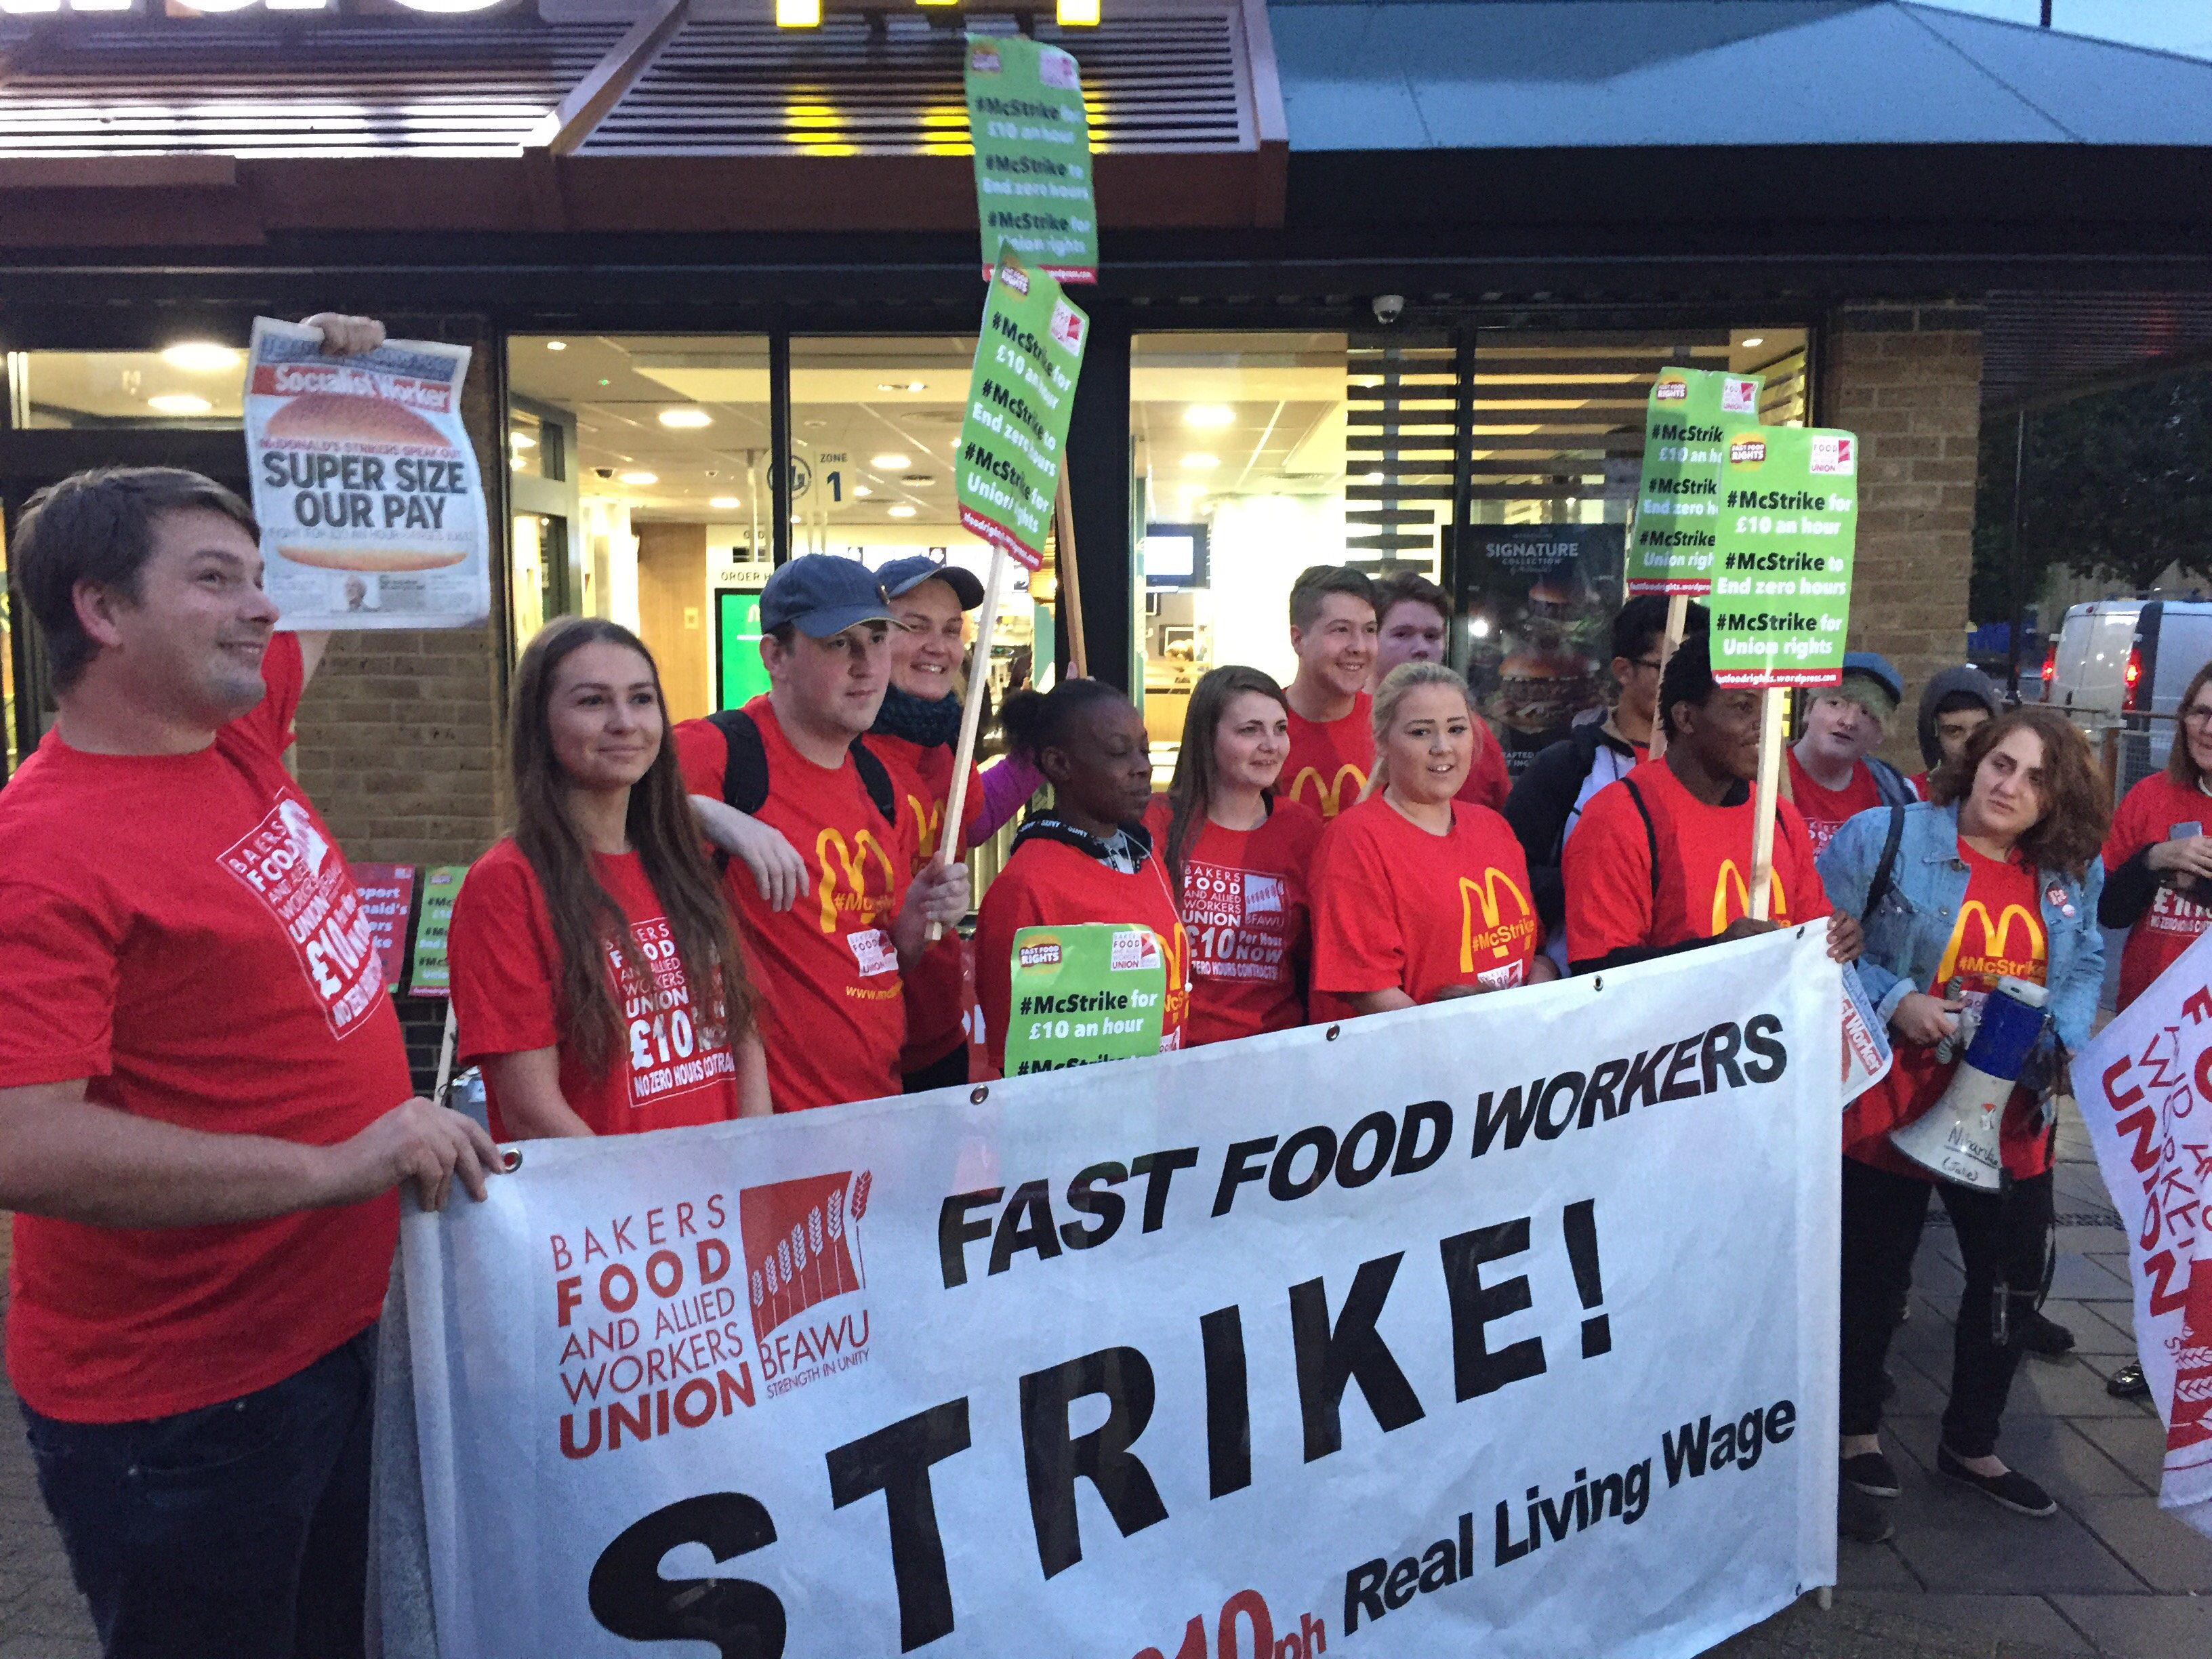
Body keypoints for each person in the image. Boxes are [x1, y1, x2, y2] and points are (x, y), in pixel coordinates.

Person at [0, 448, 501, 1654]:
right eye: (218, 579)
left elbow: (327, 590)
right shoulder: (44, 848)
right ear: (102, 610)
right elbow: (23, 1140)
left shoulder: (227, 735)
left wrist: (337, 402)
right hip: (185, 1407)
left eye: (258, 576)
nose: (266, 606)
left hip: (327, 1331)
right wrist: (331, 1166)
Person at [1819, 708, 2108, 1521]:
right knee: (1872, 1278)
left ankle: (1972, 1442)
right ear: (1975, 761)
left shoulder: (2064, 875)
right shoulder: (1885, 837)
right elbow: (1817, 946)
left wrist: (2066, 1038)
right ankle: (1856, 1435)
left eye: (2036, 778)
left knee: (2013, 1280)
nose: (2010, 785)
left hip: (2007, 1117)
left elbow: (2084, 959)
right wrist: (1896, 996)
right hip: (1889, 1104)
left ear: (2058, 800)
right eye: (2001, 764)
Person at [448, 618, 771, 1139]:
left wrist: (754, 1166)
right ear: (540, 724)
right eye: (593, 702)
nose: (624, 722)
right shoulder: (505, 885)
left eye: (641, 699)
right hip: (609, 1212)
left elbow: (742, 1032)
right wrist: (643, 1205)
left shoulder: (679, 858)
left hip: (722, 1205)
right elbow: (531, 1109)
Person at [674, 555, 969, 1111]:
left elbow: (879, 959)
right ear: (775, 656)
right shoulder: (724, 752)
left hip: (877, 1112)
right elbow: (586, 803)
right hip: (772, 1132)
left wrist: (916, 919)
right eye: (838, 643)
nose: (866, 665)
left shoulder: (882, 783)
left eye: (878, 638)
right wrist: (708, 814)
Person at [1563, 632, 1862, 975]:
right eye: (1744, 707)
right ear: (1686, 718)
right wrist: (1716, 953)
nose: (1764, 726)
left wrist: (1838, 940)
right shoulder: (1619, 816)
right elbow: (1596, 974)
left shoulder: (1779, 816)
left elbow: (1812, 938)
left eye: (1771, 709)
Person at [868, 554, 1044, 1092]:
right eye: (914, 627)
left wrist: (1042, 747)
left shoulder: (947, 736)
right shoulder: (834, 737)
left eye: (950, 630)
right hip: (860, 1051)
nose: (938, 646)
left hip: (938, 1034)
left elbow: (967, 824)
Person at [1311, 663, 1559, 1010]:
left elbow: (1536, 953)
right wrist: (1464, 1041)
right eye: (1420, 733)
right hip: (1412, 1057)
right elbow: (1369, 989)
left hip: (1510, 1049)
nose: (1442, 747)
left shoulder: (1493, 827)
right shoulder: (1356, 839)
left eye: (1457, 729)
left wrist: (1537, 993)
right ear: (1383, 741)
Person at [975, 679, 1191, 1076]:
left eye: (1143, 750)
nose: (1143, 767)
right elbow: (1014, 1047)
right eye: (1118, 753)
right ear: (1060, 764)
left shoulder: (1146, 858)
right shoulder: (1027, 886)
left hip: (1159, 1103)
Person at [2097, 659, 2212, 1399]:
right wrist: (2156, 856)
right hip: (2153, 1043)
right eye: (2200, 713)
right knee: (2157, 1213)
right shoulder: (2150, 796)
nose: (2209, 729)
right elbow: (2107, 908)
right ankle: (2161, 1349)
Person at [1144, 665, 1326, 1045]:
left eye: (1280, 729)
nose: (1271, 745)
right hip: (1169, 1054)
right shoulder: (1154, 821)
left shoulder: (1303, 829)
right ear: (1206, 738)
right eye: (1250, 730)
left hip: (1274, 1052)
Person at [1504, 594, 1689, 964]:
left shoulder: (1714, 772)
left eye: (1695, 669)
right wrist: (1600, 878)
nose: (1686, 683)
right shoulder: (1566, 767)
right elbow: (1508, 876)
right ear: (1623, 670)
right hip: (1581, 982)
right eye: (1669, 667)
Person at [1368, 568, 1511, 809]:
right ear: (1370, 637)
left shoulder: (1473, 733)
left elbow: (1502, 817)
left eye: (1432, 636)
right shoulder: (1344, 720)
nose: (1421, 648)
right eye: (1402, 634)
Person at [1784, 651, 1917, 853]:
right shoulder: (1759, 776)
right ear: (1808, 710)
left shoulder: (1893, 794)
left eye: (1866, 713)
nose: (1848, 721)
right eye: (1835, 703)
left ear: (1880, 733)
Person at [1279, 564, 1379, 819]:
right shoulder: (1262, 731)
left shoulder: (1390, 726)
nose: (1359, 646)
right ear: (1298, 639)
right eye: (1341, 630)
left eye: (1369, 630)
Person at [1910, 665, 2003, 800]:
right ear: (1935, 736)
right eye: (1954, 731)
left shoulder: (2012, 793)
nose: (1970, 740)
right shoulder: (1909, 796)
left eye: (1982, 728)